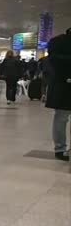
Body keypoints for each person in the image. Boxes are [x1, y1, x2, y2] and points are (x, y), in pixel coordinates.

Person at [45, 28, 71, 161]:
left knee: (61, 117)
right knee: (62, 117)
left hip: (63, 84)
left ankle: (61, 148)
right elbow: (54, 60)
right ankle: (60, 148)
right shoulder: (58, 42)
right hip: (64, 84)